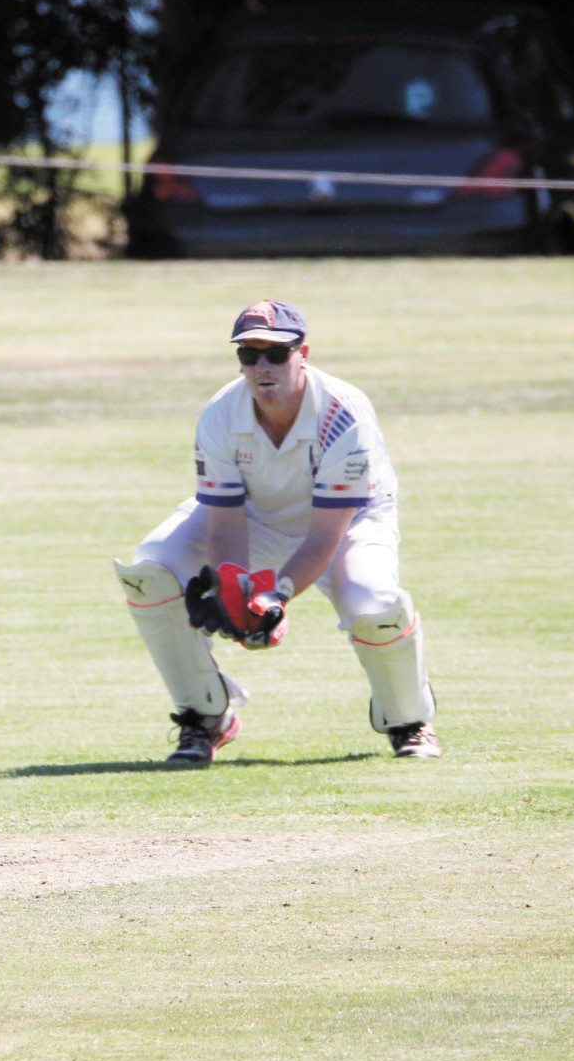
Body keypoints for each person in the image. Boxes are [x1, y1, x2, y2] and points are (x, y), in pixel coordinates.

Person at [113, 301, 440, 764]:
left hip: (349, 524)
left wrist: (274, 597)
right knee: (152, 567)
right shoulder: (221, 414)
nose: (263, 367)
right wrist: (233, 590)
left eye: (277, 353)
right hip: (257, 516)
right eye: (249, 355)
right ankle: (205, 717)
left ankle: (409, 720)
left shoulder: (344, 414)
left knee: (373, 600)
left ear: (302, 352)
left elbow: (326, 533)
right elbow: (223, 517)